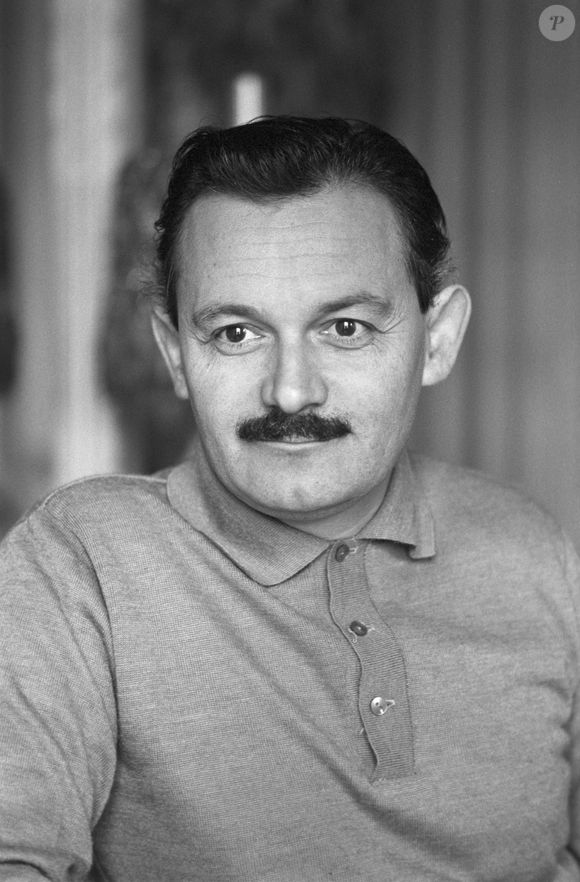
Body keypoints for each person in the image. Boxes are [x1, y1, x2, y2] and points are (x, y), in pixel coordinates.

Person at [1, 116, 579, 882]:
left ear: (437, 340)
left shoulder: (534, 550)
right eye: (237, 334)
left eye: (346, 327)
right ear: (175, 354)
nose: (292, 391)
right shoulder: (78, 564)